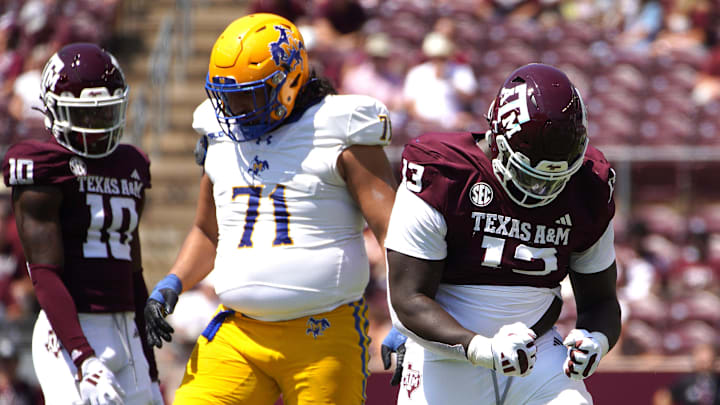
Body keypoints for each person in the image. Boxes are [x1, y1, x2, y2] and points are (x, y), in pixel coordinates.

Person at [144, 13, 397, 404]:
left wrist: (402, 317)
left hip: (323, 330)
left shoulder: (338, 128)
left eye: (249, 94)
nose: (235, 108)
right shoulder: (219, 134)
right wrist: (172, 283)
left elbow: (392, 230)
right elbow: (208, 231)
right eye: (228, 96)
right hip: (237, 330)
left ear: (290, 81)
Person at [383, 63, 621, 404]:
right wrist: (481, 348)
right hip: (449, 357)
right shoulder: (445, 175)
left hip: (538, 354)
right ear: (497, 140)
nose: (544, 188)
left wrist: (596, 339)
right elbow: (407, 299)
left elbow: (601, 300)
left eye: (558, 177)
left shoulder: (589, 186)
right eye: (530, 175)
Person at [2, 42, 163, 405]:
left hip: (126, 331)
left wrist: (151, 369)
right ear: (54, 111)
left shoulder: (130, 164)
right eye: (85, 116)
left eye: (105, 114)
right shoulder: (43, 167)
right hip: (70, 330)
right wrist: (83, 356)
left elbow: (133, 274)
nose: (96, 126)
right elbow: (43, 272)